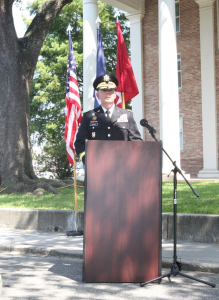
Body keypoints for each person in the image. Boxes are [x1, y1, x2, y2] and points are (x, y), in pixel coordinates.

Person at [75, 74, 142, 164]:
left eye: (111, 90)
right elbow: (80, 142)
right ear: (98, 95)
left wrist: (132, 160)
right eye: (104, 90)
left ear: (115, 94)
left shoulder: (127, 115)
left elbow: (136, 141)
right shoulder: (88, 116)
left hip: (123, 166)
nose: (108, 93)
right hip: (96, 167)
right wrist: (87, 159)